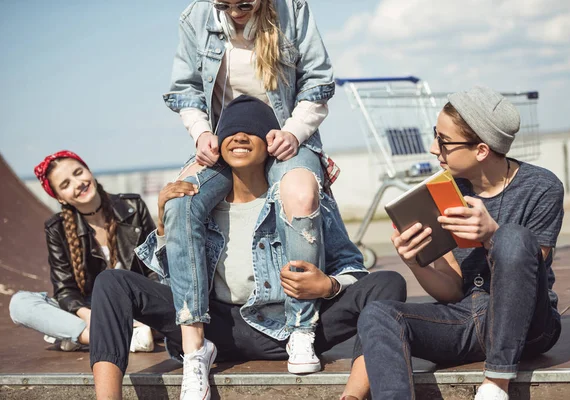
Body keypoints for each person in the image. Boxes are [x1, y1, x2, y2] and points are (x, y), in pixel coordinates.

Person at [89, 97, 407, 400]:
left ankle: (354, 392)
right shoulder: (198, 207)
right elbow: (174, 282)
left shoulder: (299, 200)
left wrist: (328, 285)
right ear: (218, 144)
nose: (240, 135)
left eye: (252, 130)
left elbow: (354, 267)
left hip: (287, 332)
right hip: (213, 328)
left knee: (389, 283)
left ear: (269, 143)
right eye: (230, 131)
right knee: (111, 283)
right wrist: (163, 225)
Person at [163, 0, 342, 383]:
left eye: (244, 3)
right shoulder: (194, 17)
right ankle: (195, 348)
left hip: (287, 137)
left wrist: (294, 131)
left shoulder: (292, 10)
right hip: (224, 141)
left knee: (300, 194)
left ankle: (300, 329)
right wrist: (201, 133)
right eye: (223, 4)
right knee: (180, 201)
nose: (235, 12)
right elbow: (186, 88)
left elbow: (318, 80)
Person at [356, 86, 564, 400]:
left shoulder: (541, 187)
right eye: (434, 135)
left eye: (444, 141)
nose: (432, 147)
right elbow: (452, 290)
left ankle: (497, 383)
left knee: (512, 237)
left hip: (530, 326)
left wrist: (491, 234)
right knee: (378, 314)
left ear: (481, 150)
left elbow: (531, 265)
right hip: (469, 318)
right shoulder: (444, 190)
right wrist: (416, 261)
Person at [9, 151, 158, 353]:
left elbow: (153, 268)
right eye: (65, 185)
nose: (78, 183)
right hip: (92, 311)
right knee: (20, 304)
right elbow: (65, 290)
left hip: (137, 306)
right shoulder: (57, 229)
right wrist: (89, 316)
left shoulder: (132, 207)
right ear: (60, 198)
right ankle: (121, 337)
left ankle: (82, 337)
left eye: (78, 172)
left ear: (88, 170)